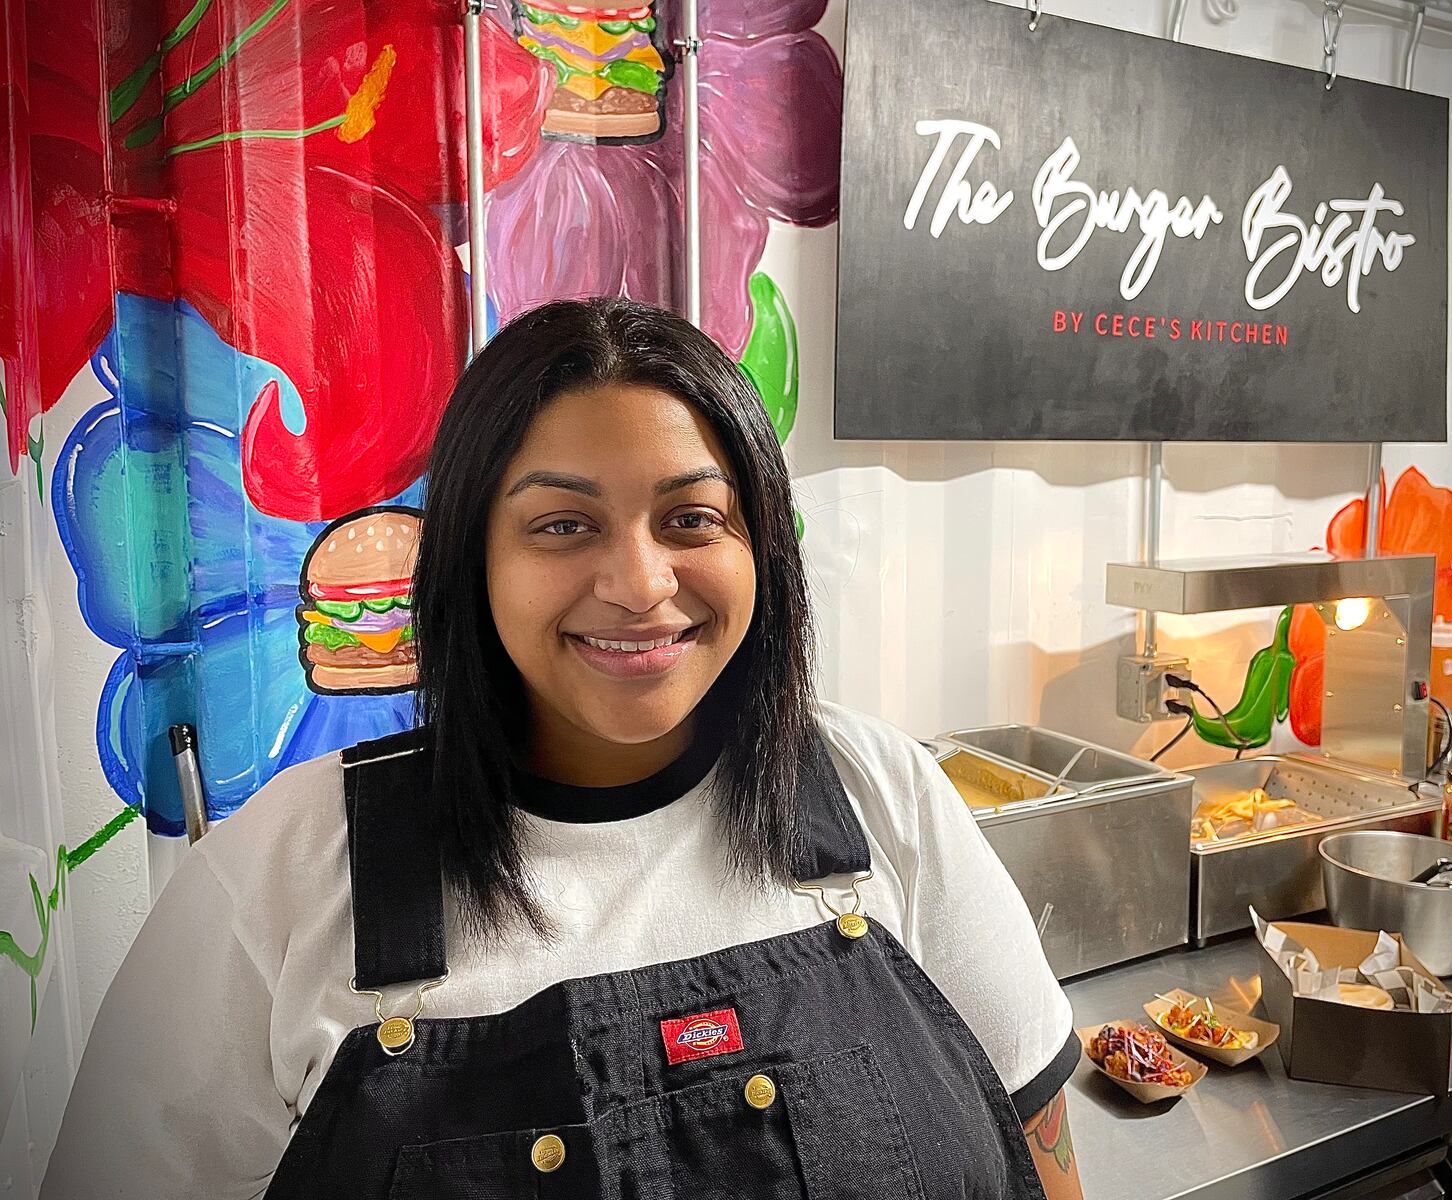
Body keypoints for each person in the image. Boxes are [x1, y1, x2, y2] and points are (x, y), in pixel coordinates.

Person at [43, 298, 1084, 1199]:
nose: (638, 583)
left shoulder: (881, 795)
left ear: (757, 544)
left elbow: (1042, 1159)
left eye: (690, 518)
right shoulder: (285, 875)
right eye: (561, 525)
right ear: (472, 559)